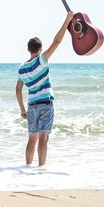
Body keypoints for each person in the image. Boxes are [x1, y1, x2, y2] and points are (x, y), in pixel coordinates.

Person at [16, 11, 75, 166]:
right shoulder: (41, 61)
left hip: (31, 106)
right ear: (40, 50)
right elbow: (57, 42)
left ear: (28, 49)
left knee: (31, 138)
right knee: (43, 138)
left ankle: (27, 167)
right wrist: (67, 20)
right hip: (45, 104)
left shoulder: (22, 68)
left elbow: (17, 89)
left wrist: (22, 108)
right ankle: (41, 169)